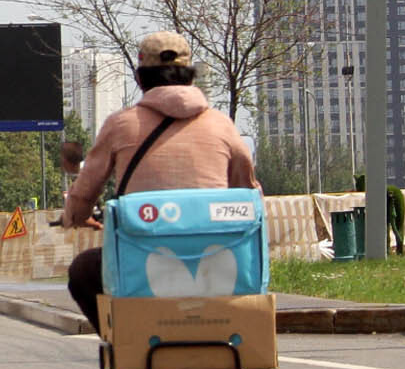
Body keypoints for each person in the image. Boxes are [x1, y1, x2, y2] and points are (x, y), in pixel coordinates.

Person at [59, 33, 258, 326]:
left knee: (82, 271)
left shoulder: (120, 125)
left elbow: (84, 192)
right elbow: (248, 193)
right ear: (191, 76)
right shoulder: (222, 125)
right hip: (216, 263)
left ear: (140, 79)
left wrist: (73, 216)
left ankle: (124, 342)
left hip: (143, 262)